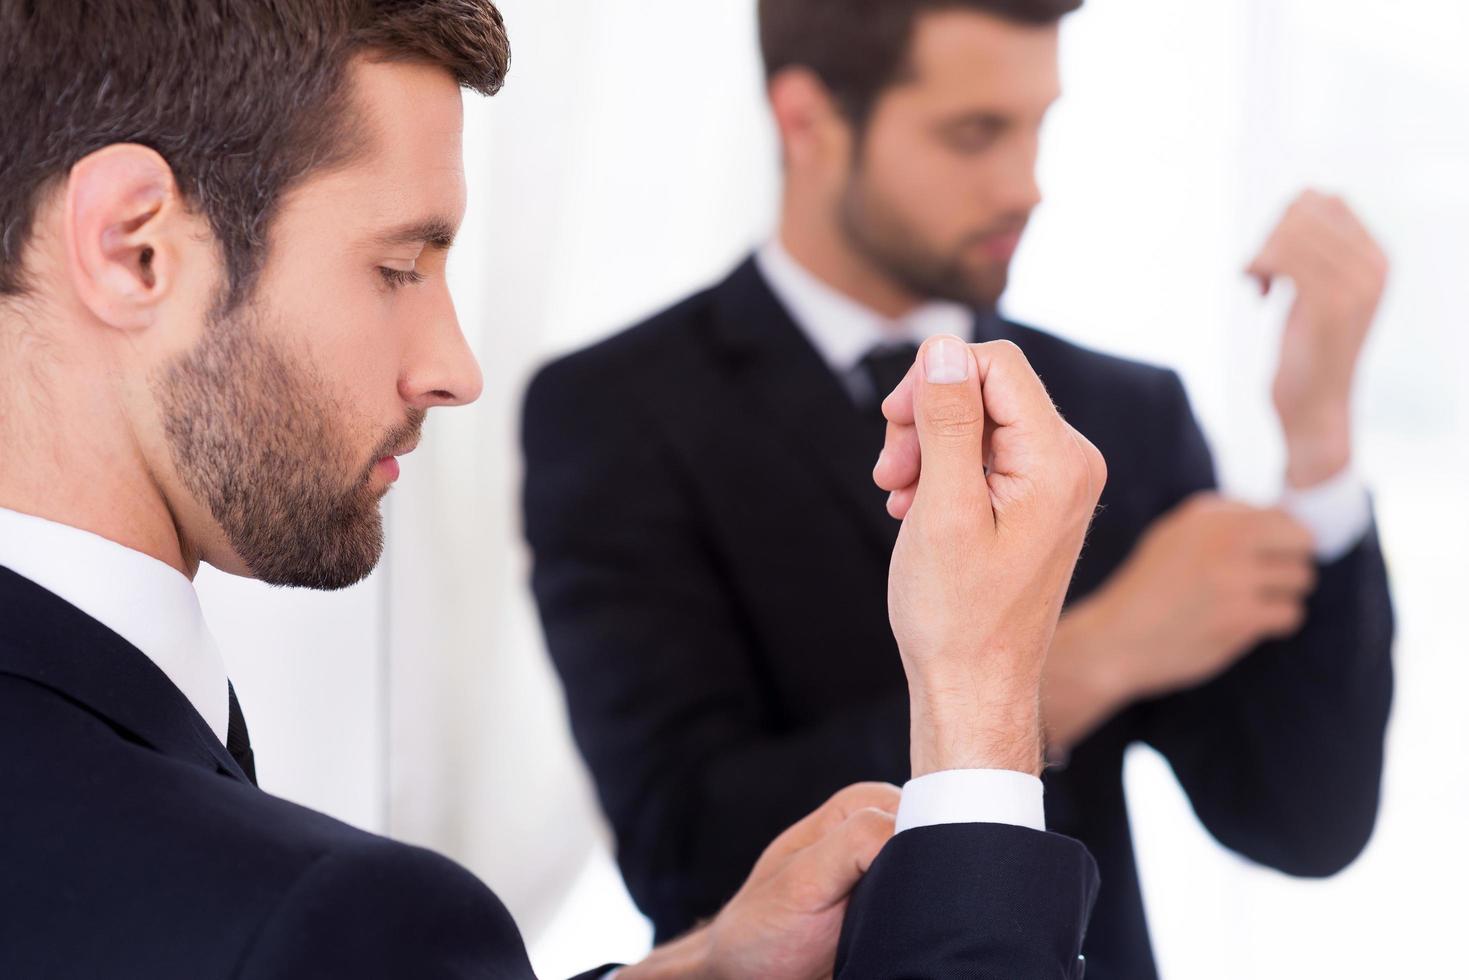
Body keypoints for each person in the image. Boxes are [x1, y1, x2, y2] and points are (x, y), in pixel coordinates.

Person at [0, 2, 1104, 977]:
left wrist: (706, 971)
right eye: (396, 266)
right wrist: (978, 711)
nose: (455, 368)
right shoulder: (323, 914)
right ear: (134, 248)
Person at [521, 1, 1396, 976]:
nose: (1025, 184)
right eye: (973, 133)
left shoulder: (1120, 411)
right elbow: (683, 852)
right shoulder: (612, 409)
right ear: (806, 120)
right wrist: (1095, 652)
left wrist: (1316, 443)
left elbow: (1304, 820)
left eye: (1035, 125)